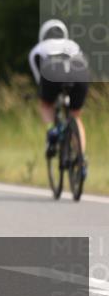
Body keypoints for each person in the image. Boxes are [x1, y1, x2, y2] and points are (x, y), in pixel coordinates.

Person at [29, 19, 89, 179]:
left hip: (52, 71)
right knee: (76, 115)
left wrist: (44, 96)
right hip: (79, 73)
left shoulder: (37, 49)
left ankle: (52, 130)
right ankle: (81, 160)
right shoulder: (73, 44)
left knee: (45, 104)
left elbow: (39, 80)